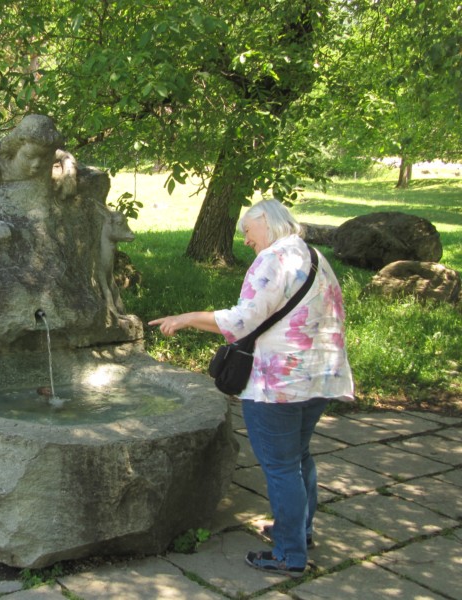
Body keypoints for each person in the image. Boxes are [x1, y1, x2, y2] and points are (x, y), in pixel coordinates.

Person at [149, 199, 354, 578]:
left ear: (266, 221)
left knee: (280, 467)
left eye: (247, 230)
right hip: (320, 375)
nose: (245, 240)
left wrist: (188, 318)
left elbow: (242, 321)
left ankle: (289, 554)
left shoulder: (273, 258)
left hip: (279, 383)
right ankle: (299, 531)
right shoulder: (313, 256)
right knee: (299, 458)